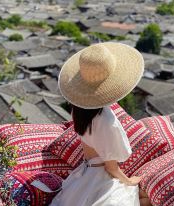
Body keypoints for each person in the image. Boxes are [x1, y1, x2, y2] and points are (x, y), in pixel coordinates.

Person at [50, 42, 151, 205]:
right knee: (145, 199)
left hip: (85, 175)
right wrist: (130, 181)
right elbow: (111, 168)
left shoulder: (78, 109)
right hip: (100, 179)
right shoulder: (106, 121)